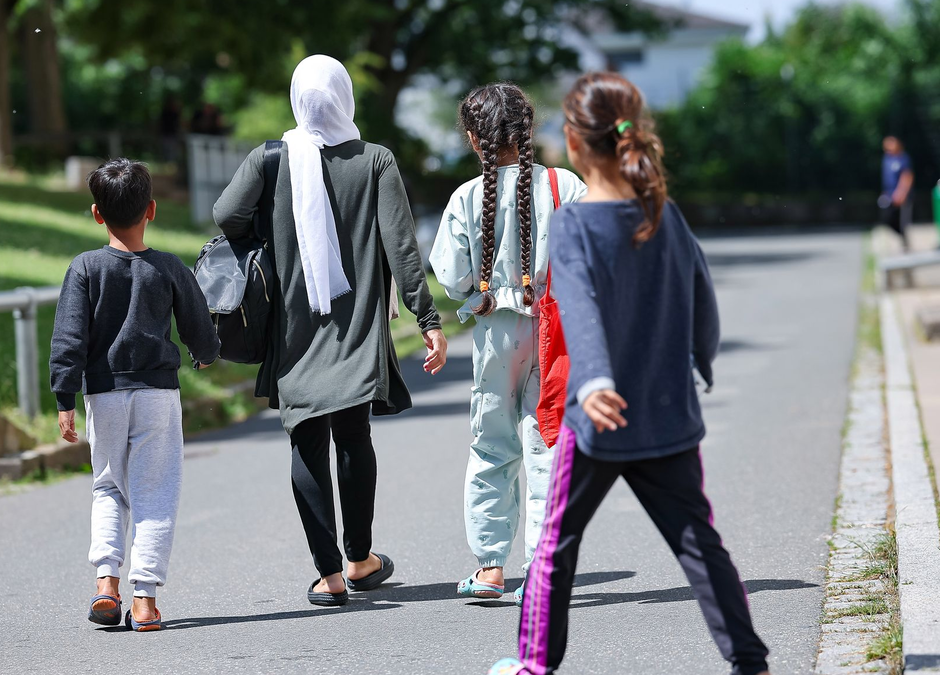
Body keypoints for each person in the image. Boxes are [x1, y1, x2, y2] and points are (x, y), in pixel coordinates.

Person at [489, 72, 770, 675]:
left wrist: (593, 381)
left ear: (572, 141)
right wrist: (700, 361)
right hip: (667, 414)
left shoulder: (574, 225)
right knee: (699, 544)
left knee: (556, 549)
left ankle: (535, 665)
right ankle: (751, 662)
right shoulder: (666, 216)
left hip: (595, 422)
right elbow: (703, 301)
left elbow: (581, 309)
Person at [213, 55, 447, 607]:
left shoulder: (272, 158)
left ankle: (330, 575)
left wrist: (275, 229)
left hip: (294, 325)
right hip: (355, 326)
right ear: (346, 97)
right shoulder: (376, 160)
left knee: (306, 439)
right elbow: (401, 246)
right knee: (353, 437)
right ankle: (360, 558)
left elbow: (226, 215)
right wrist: (427, 318)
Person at [430, 83, 586, 606]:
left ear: (474, 139)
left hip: (496, 332)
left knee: (491, 445)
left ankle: (490, 567)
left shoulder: (466, 197)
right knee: (546, 446)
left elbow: (452, 278)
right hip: (553, 331)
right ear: (529, 130)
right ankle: (542, 572)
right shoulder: (564, 185)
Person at [49, 158, 221, 632]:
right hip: (157, 395)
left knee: (108, 485)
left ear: (96, 213)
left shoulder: (84, 268)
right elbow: (199, 327)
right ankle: (144, 600)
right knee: (155, 492)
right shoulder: (169, 267)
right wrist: (206, 355)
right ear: (152, 209)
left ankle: (106, 585)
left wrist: (65, 397)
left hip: (104, 394)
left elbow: (68, 338)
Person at [880, 135, 914, 251]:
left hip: (901, 195)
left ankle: (905, 242)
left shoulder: (903, 159)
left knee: (902, 220)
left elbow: (907, 176)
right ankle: (901, 236)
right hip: (888, 194)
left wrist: (902, 193)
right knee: (887, 218)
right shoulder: (887, 159)